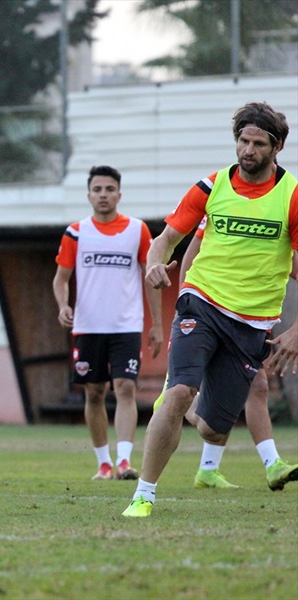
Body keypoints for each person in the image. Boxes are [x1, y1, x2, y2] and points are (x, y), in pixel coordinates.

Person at [124, 101, 298, 518]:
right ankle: (143, 495)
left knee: (212, 426)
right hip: (200, 301)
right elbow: (165, 239)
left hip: (252, 323)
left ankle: (184, 402)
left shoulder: (292, 197)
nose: (247, 150)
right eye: (242, 140)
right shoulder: (210, 186)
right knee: (180, 391)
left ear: (276, 148)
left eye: (258, 143)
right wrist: (152, 263)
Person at [153, 218, 298, 491]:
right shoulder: (220, 204)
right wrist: (186, 304)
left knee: (255, 387)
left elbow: (286, 262)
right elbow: (191, 256)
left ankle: (210, 468)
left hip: (248, 318)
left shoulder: (279, 209)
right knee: (253, 385)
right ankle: (270, 463)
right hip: (209, 314)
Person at [52, 165, 163, 481]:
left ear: (119, 194)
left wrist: (156, 324)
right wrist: (63, 306)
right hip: (88, 326)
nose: (103, 195)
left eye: (109, 189)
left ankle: (125, 461)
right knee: (94, 392)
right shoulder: (76, 232)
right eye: (97, 189)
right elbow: (61, 279)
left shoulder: (138, 230)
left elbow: (151, 278)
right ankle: (103, 463)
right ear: (89, 195)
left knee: (125, 387)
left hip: (126, 325)